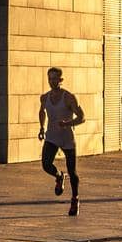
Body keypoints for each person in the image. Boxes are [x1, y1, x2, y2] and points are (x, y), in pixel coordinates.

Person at [38, 67, 85, 216]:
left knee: (73, 171)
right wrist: (41, 127)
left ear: (61, 80)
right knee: (46, 164)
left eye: (55, 79)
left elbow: (82, 117)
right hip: (52, 136)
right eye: (50, 78)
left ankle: (75, 199)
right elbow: (42, 111)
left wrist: (67, 124)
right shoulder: (44, 97)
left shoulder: (69, 97)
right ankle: (59, 176)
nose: (52, 82)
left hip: (67, 138)